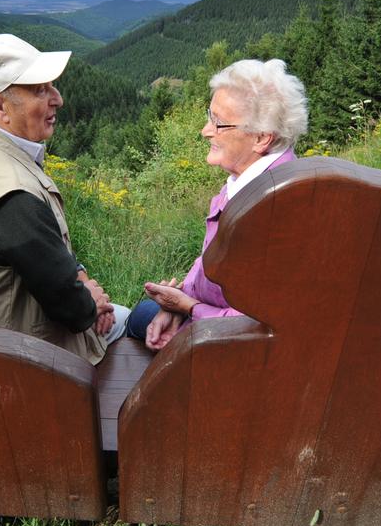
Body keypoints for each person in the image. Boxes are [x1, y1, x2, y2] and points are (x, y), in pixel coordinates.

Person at [0, 34, 129, 364]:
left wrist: (82, 279)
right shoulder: (13, 197)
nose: (58, 99)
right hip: (21, 354)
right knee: (146, 329)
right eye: (40, 89)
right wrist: (92, 303)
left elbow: (46, 263)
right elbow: (70, 309)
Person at [127, 59, 308, 350]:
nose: (205, 130)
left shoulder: (272, 209)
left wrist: (188, 308)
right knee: (142, 317)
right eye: (209, 116)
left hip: (231, 349)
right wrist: (176, 304)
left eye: (218, 123)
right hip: (210, 320)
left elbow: (257, 324)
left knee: (136, 320)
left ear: (261, 138)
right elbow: (211, 263)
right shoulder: (253, 180)